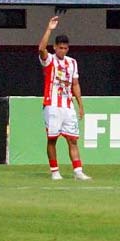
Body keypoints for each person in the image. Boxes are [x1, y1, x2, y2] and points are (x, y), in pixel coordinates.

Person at [38, 16, 90, 181]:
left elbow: (75, 84)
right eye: (60, 48)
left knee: (72, 140)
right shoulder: (49, 60)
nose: (63, 51)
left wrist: (80, 104)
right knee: (52, 139)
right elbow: (41, 49)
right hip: (52, 105)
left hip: (68, 106)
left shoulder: (72, 63)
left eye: (65, 48)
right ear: (55, 47)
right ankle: (55, 171)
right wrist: (49, 29)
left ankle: (78, 171)